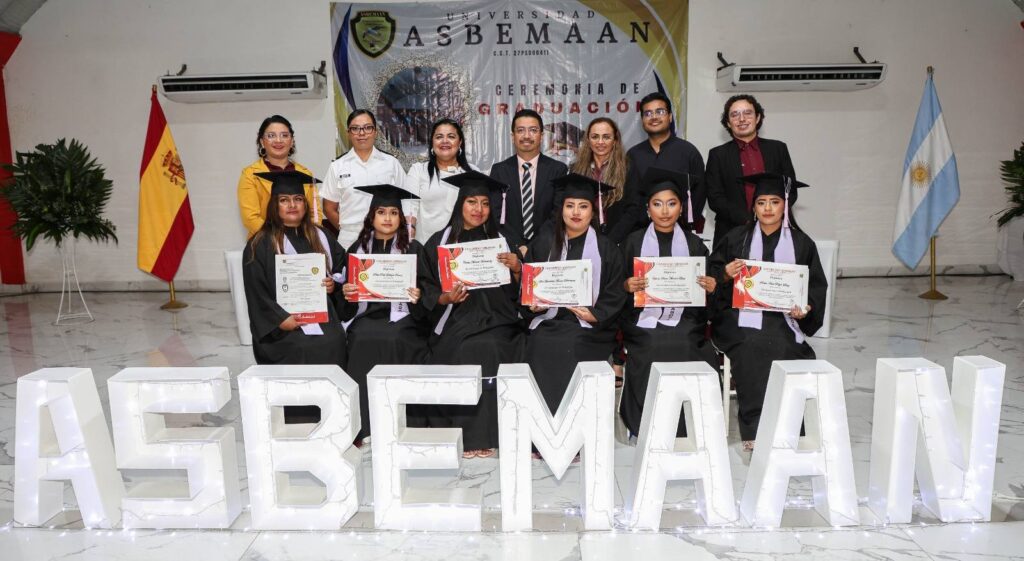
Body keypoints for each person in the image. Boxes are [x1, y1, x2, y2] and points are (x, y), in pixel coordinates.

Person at [709, 172, 827, 451]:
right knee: (753, 342)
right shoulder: (736, 238)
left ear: (785, 205)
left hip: (783, 318)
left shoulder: (802, 244)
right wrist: (724, 274)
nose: (768, 209)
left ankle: (788, 427)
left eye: (774, 202)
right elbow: (711, 278)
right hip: (739, 316)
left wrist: (806, 309)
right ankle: (756, 429)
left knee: (784, 345)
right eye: (761, 202)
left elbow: (815, 288)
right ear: (753, 207)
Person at [419, 170, 524, 458]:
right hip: (457, 316)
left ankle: (490, 434)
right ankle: (467, 434)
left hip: (499, 317)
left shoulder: (503, 239)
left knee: (494, 345)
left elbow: (521, 291)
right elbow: (426, 287)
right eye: (472, 202)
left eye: (485, 203)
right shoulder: (440, 241)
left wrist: (517, 268)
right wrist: (445, 297)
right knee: (463, 347)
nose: (479, 209)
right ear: (460, 205)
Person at [619, 167, 719, 440]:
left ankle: (687, 426)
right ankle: (646, 426)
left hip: (686, 319)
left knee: (685, 341)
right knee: (652, 342)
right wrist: (626, 286)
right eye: (657, 204)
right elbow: (615, 288)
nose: (665, 211)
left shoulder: (695, 245)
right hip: (642, 319)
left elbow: (707, 301)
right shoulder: (632, 243)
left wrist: (711, 288)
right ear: (647, 208)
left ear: (681, 208)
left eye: (672, 203)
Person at [242, 170, 347, 424]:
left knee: (334, 341)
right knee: (302, 346)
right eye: (284, 200)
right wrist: (280, 319)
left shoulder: (321, 236)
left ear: (305, 204)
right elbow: (256, 292)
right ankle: (299, 420)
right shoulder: (259, 244)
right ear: (274, 205)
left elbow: (343, 269)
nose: (292, 205)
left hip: (321, 317)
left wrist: (333, 284)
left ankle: (333, 419)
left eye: (298, 199)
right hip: (283, 326)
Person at [521, 173, 626, 416]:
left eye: (583, 206)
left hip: (590, 329)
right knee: (539, 342)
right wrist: (532, 305)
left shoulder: (607, 249)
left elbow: (615, 292)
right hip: (548, 322)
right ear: (561, 210)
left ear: (593, 212)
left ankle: (574, 424)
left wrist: (595, 315)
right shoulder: (543, 244)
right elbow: (526, 290)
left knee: (572, 343)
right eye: (570, 206)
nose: (576, 212)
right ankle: (541, 425)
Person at [340, 184, 428, 446]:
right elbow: (344, 300)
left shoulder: (414, 249)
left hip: (404, 318)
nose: (387, 218)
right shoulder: (357, 249)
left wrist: (419, 297)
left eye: (393, 213)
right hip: (366, 317)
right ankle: (364, 425)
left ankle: (400, 422)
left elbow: (428, 291)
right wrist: (346, 292)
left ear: (401, 218)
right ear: (371, 217)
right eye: (381, 212)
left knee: (395, 338)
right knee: (360, 339)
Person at [706, 94, 797, 249]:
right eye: (735, 115)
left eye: (748, 113)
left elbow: (790, 190)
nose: (742, 119)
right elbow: (715, 198)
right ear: (728, 122)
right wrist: (748, 220)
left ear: (758, 117)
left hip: (774, 231)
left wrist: (768, 217)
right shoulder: (717, 155)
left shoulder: (778, 149)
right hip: (731, 234)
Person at [320, 109, 409, 249]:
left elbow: (406, 201)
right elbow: (328, 208)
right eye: (355, 128)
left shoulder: (391, 164)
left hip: (386, 237)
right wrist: (347, 228)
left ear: (375, 132)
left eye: (367, 128)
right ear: (348, 133)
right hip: (349, 238)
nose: (361, 133)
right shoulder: (337, 166)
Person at [626, 92, 706, 232]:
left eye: (660, 112)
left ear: (670, 117)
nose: (654, 117)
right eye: (648, 113)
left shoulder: (688, 152)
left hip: (680, 231)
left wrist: (684, 221)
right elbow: (629, 197)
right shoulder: (633, 155)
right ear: (642, 120)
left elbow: (699, 193)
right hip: (640, 233)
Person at [489, 109, 568, 251]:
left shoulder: (558, 170)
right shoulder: (499, 171)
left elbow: (557, 214)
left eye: (533, 130)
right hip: (509, 249)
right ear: (513, 136)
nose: (526, 136)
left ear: (541, 136)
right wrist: (518, 246)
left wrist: (532, 248)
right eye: (520, 130)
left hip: (546, 248)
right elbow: (496, 213)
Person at [237, 115, 322, 236]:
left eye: (284, 135)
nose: (278, 140)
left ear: (292, 141)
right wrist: (281, 239)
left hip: (303, 239)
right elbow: (251, 218)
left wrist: (307, 238)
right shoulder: (250, 174)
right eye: (271, 135)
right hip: (264, 240)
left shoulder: (305, 173)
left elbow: (315, 214)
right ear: (262, 142)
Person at [571, 117, 643, 244]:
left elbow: (633, 209)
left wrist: (610, 241)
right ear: (588, 140)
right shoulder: (576, 170)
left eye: (606, 137)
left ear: (615, 140)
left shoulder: (628, 168)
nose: (600, 142)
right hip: (584, 240)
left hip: (619, 241)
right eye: (595, 137)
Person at [404, 118, 475, 244]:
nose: (445, 141)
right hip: (426, 247)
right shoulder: (418, 170)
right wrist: (410, 234)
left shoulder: (473, 173)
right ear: (432, 142)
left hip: (463, 248)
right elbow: (409, 206)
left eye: (451, 136)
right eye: (439, 137)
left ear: (460, 142)